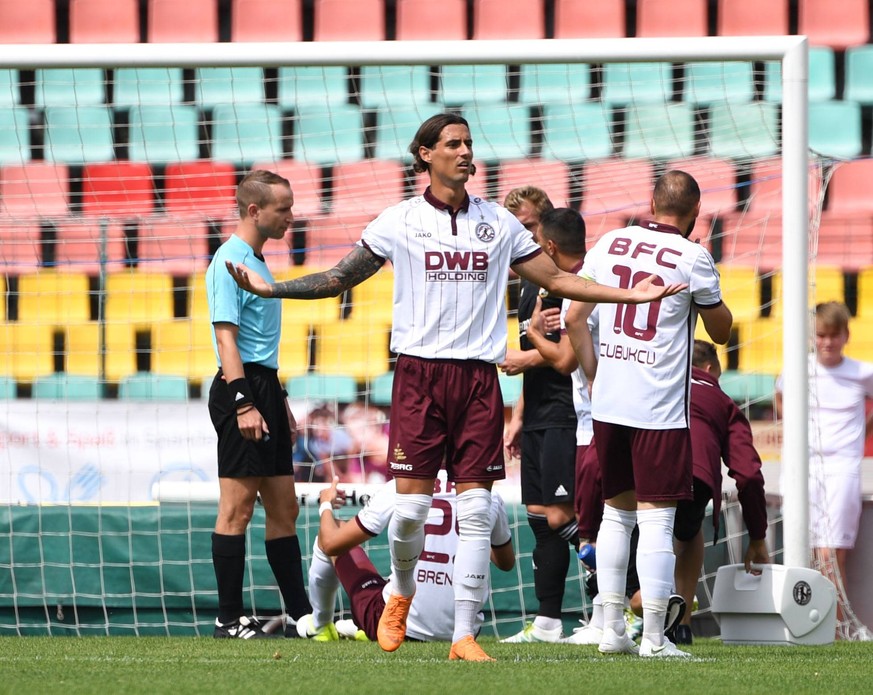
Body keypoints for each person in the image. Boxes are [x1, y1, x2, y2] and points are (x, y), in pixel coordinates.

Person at [225, 113, 685, 661]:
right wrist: (274, 289)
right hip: (419, 375)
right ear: (425, 154)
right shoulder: (399, 220)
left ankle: (464, 635)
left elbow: (560, 279)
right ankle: (400, 594)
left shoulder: (497, 223)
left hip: (477, 379)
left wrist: (634, 296)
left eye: (469, 142)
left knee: (474, 511)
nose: (466, 151)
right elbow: (338, 279)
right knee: (412, 510)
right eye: (453, 144)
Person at [568, 170, 733, 658]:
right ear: (695, 213)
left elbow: (576, 317)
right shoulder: (693, 256)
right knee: (657, 521)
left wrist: (595, 375)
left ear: (652, 201)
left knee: (615, 517)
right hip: (657, 405)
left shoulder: (611, 241)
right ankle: (656, 639)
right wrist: (707, 297)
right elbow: (721, 332)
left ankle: (612, 629)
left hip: (610, 400)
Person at [205, 169, 311, 639]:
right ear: (255, 210)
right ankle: (227, 619)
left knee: (283, 507)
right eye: (282, 208)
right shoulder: (228, 261)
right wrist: (245, 402)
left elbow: (260, 344)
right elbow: (227, 340)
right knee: (237, 509)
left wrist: (278, 400)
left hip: (264, 387)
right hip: (240, 388)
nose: (291, 216)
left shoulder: (258, 262)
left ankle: (304, 617)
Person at [500, 199, 586, 643]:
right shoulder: (528, 286)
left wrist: (524, 350)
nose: (523, 236)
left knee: (560, 515)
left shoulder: (562, 283)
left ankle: (628, 590)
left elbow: (564, 357)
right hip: (536, 411)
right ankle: (549, 621)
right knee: (538, 516)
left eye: (529, 226)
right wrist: (517, 414)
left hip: (563, 412)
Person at [295, 473, 515, 643]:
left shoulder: (401, 487)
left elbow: (331, 542)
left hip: (394, 620)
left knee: (333, 530)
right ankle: (357, 627)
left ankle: (320, 625)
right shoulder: (487, 495)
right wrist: (473, 540)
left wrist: (325, 504)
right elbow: (506, 563)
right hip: (462, 631)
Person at [775, 301, 873, 638]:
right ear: (813, 337)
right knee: (802, 548)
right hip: (802, 467)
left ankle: (838, 625)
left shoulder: (863, 372)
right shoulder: (797, 369)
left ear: (846, 336)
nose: (827, 343)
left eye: (834, 336)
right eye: (821, 336)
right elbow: (780, 396)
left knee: (832, 551)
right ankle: (805, 623)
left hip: (842, 466)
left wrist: (861, 428)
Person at [672, 339, 769, 643]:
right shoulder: (723, 402)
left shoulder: (653, 381)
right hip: (696, 476)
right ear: (711, 368)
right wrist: (757, 535)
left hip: (641, 470)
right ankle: (682, 623)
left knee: (637, 523)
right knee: (689, 533)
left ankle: (628, 605)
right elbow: (749, 475)